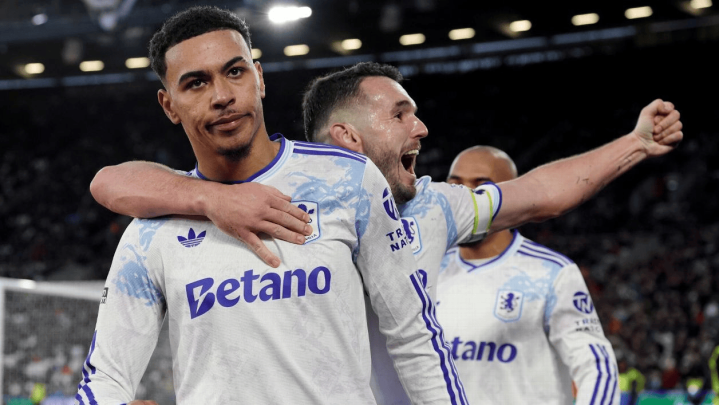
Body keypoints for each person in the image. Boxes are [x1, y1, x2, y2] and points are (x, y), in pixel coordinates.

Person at [90, 63, 683, 404]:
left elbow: (539, 194)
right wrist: (211, 199)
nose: (420, 128)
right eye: (400, 114)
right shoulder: (264, 208)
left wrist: (635, 145)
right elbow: (113, 182)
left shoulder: (430, 209)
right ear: (348, 138)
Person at [75, 7, 469, 404]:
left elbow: (414, 334)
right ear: (169, 106)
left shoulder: (349, 180)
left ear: (259, 78)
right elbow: (105, 380)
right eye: (196, 83)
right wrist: (215, 199)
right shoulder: (151, 232)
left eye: (235, 71)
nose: (222, 96)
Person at [436, 145, 620, 404]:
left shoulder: (550, 273)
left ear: (512, 195)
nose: (465, 195)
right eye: (455, 184)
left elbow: (596, 368)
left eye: (481, 187)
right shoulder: (427, 270)